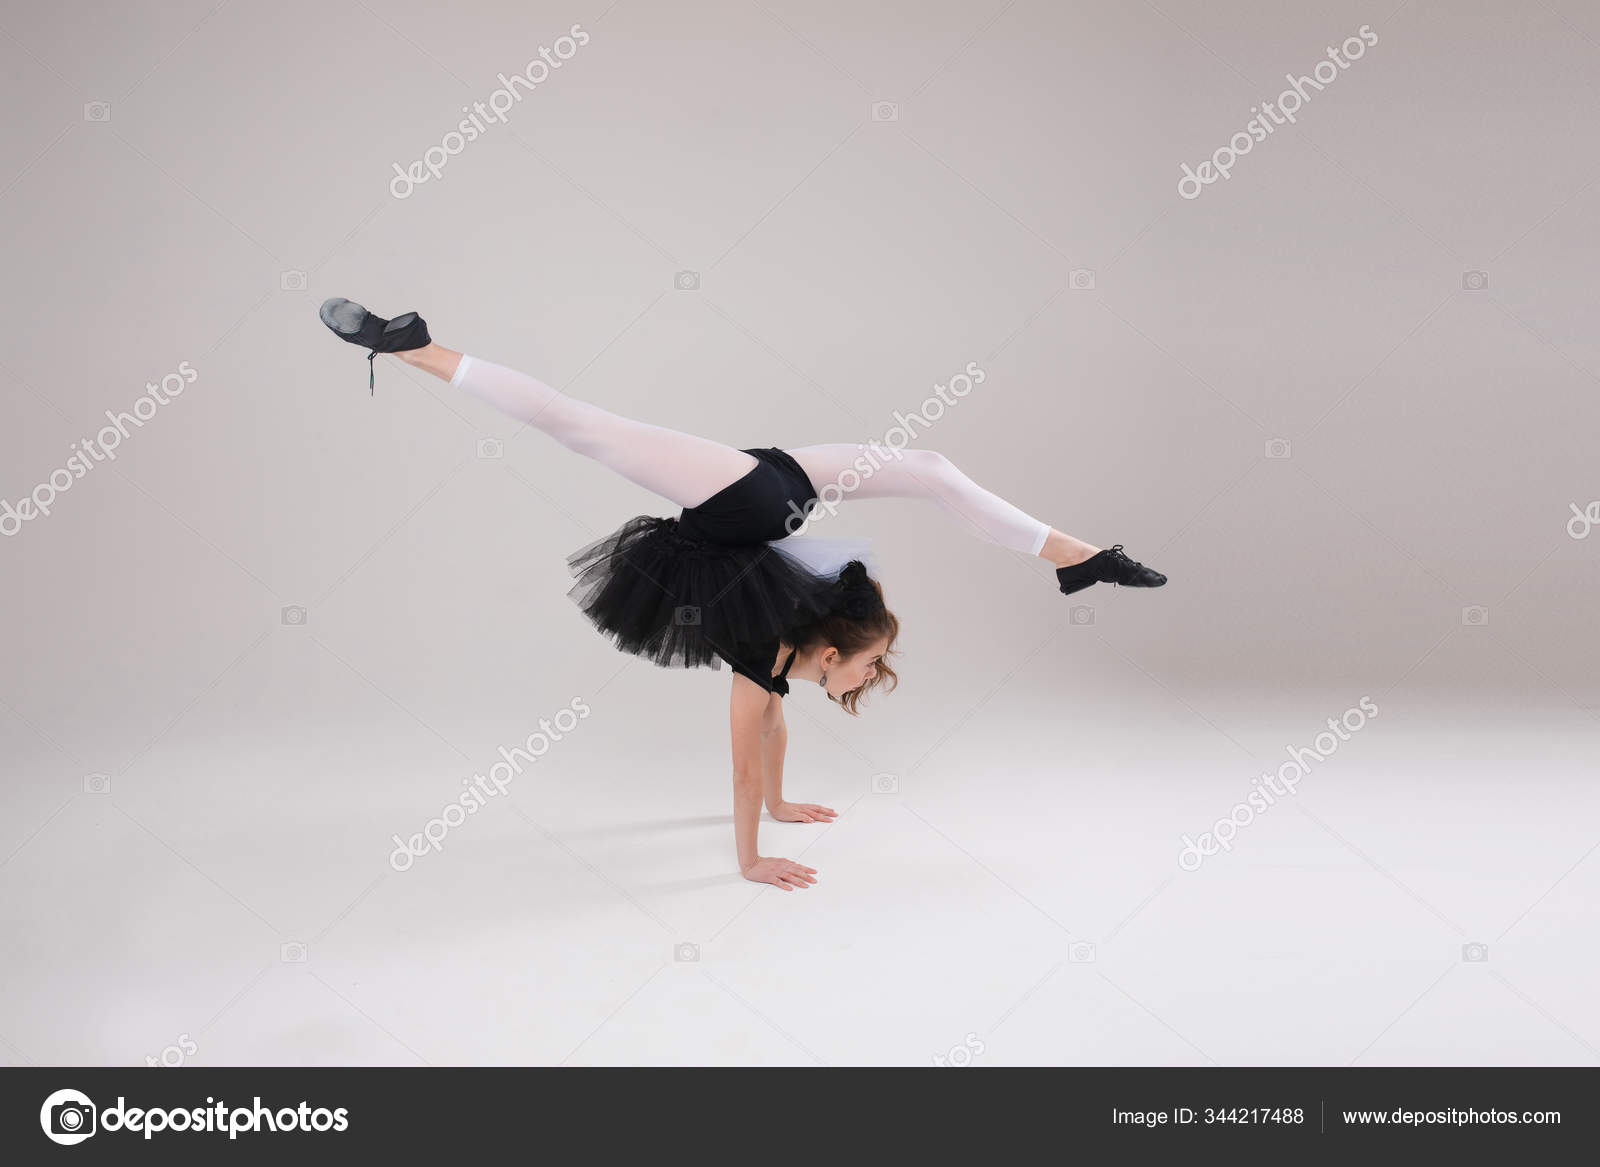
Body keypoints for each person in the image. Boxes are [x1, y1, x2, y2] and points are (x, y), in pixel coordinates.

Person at [320, 298, 1167, 889]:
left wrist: (776, 805)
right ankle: (415, 348)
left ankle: (1075, 557)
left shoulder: (774, 660)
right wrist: (753, 855)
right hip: (757, 501)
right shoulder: (772, 651)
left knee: (928, 469)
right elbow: (750, 757)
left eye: (869, 671)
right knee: (581, 425)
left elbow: (759, 744)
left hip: (760, 500)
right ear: (827, 650)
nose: (871, 678)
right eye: (868, 668)